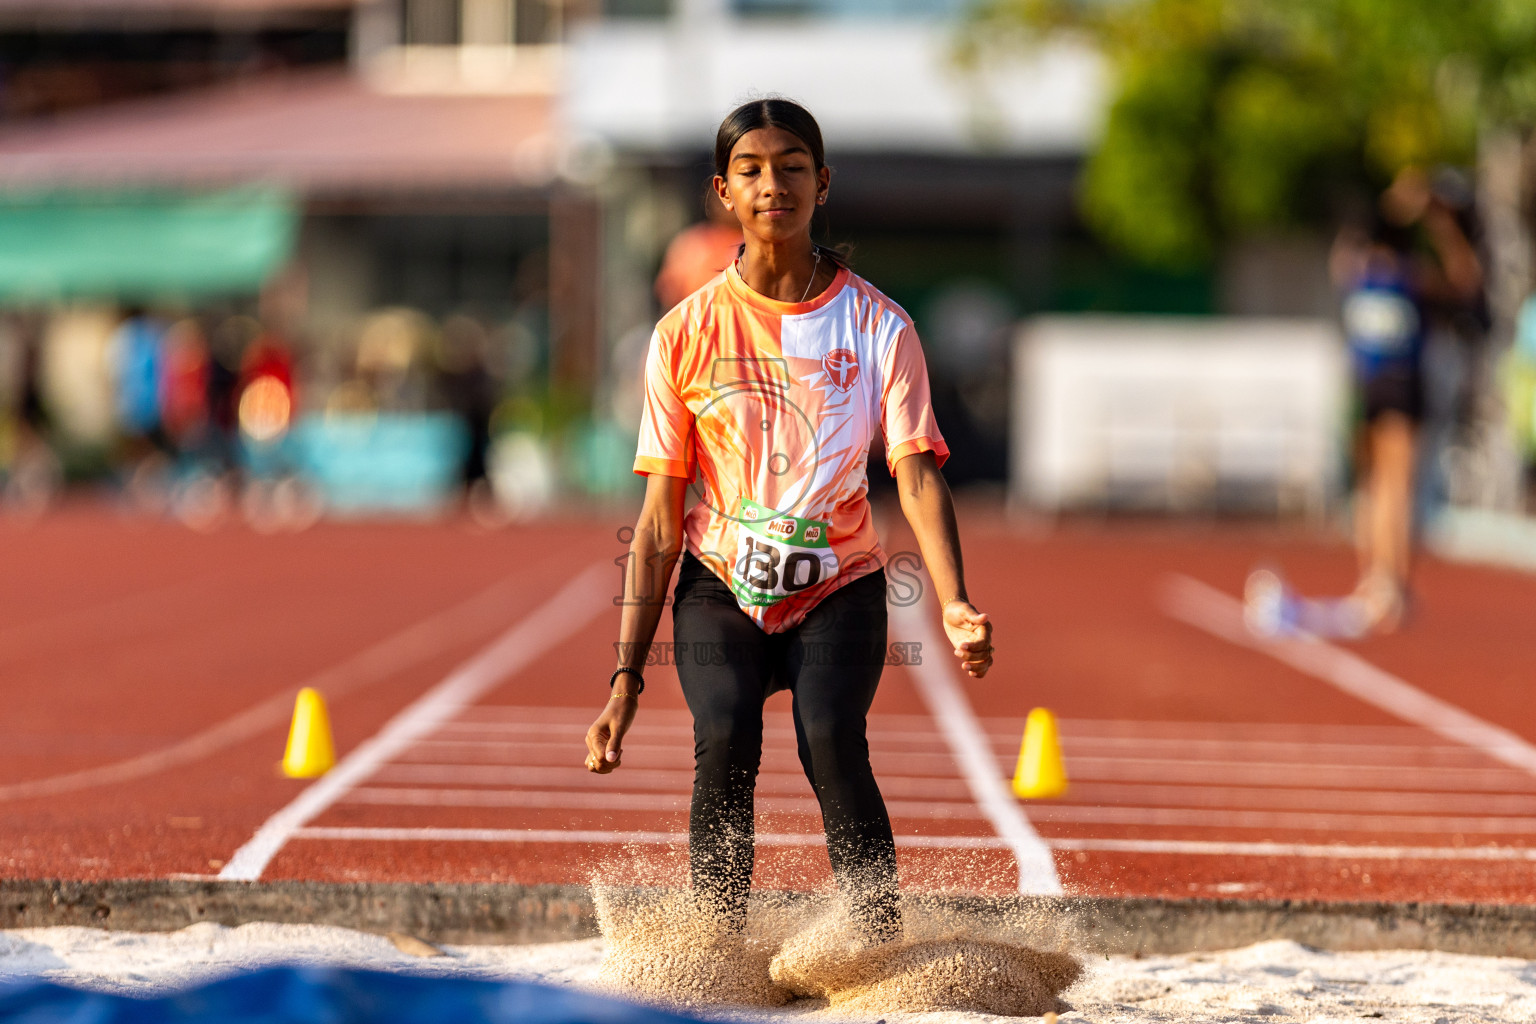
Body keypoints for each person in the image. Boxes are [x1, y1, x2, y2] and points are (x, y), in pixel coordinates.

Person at [583, 98, 994, 943]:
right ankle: (714, 946)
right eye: (752, 170)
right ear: (723, 192)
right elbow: (659, 519)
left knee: (830, 736)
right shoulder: (683, 335)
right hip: (720, 584)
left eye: (793, 166)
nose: (775, 184)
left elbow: (914, 473)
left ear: (823, 182)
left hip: (839, 584)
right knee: (725, 732)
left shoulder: (881, 325)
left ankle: (876, 943)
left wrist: (953, 599)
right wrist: (625, 680)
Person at [1328, 167, 1483, 633]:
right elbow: (1466, 280)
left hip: (1364, 384)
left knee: (1374, 486)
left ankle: (1376, 578)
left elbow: (1348, 246)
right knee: (1395, 485)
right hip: (1398, 382)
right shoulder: (1405, 275)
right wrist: (1442, 223)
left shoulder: (1360, 270)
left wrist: (1395, 202)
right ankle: (1388, 582)